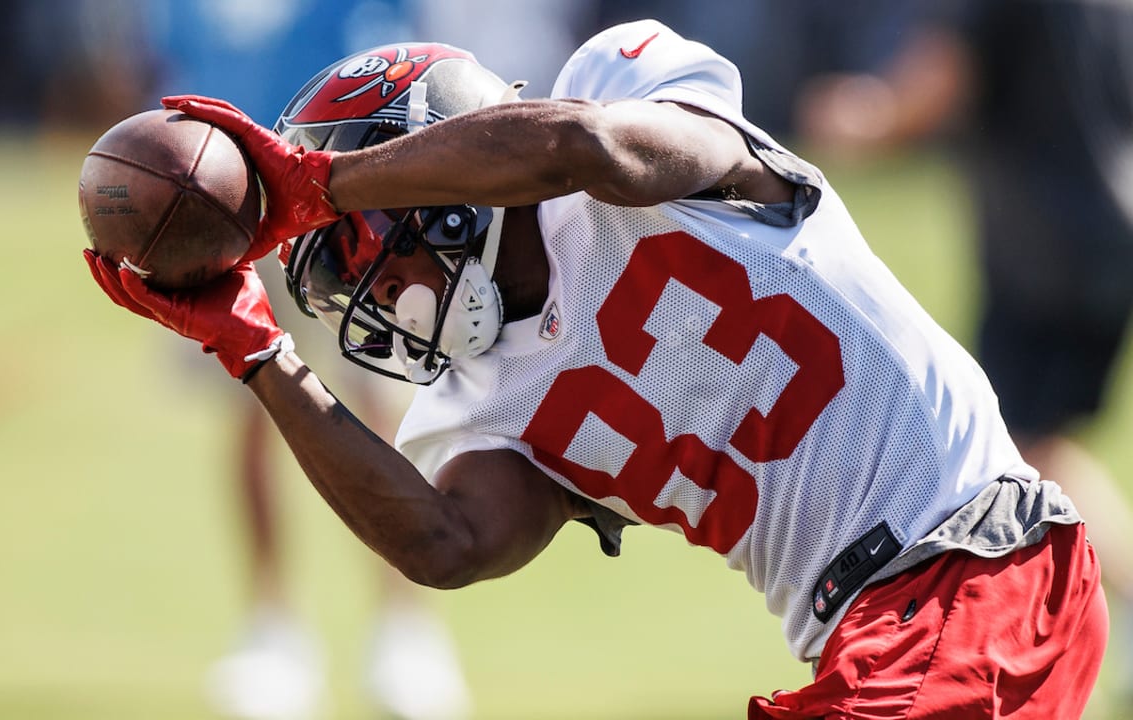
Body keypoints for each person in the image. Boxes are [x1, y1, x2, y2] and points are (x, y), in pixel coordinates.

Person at [84, 19, 1109, 718]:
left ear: (433, 178)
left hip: (968, 570)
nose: (372, 294)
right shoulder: (483, 396)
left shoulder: (624, 107)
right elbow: (445, 543)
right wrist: (254, 351)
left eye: (364, 250)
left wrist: (324, 182)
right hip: (889, 630)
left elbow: (584, 147)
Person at [791, 0, 1133, 707]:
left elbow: (942, 77)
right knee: (1033, 444)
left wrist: (866, 117)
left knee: (1015, 450)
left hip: (1050, 246)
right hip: (1102, 227)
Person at [141, 2, 471, 718]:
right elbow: (169, 76)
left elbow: (399, 58)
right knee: (253, 408)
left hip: (346, 205)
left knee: (376, 407)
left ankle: (406, 630)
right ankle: (273, 629)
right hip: (226, 213)